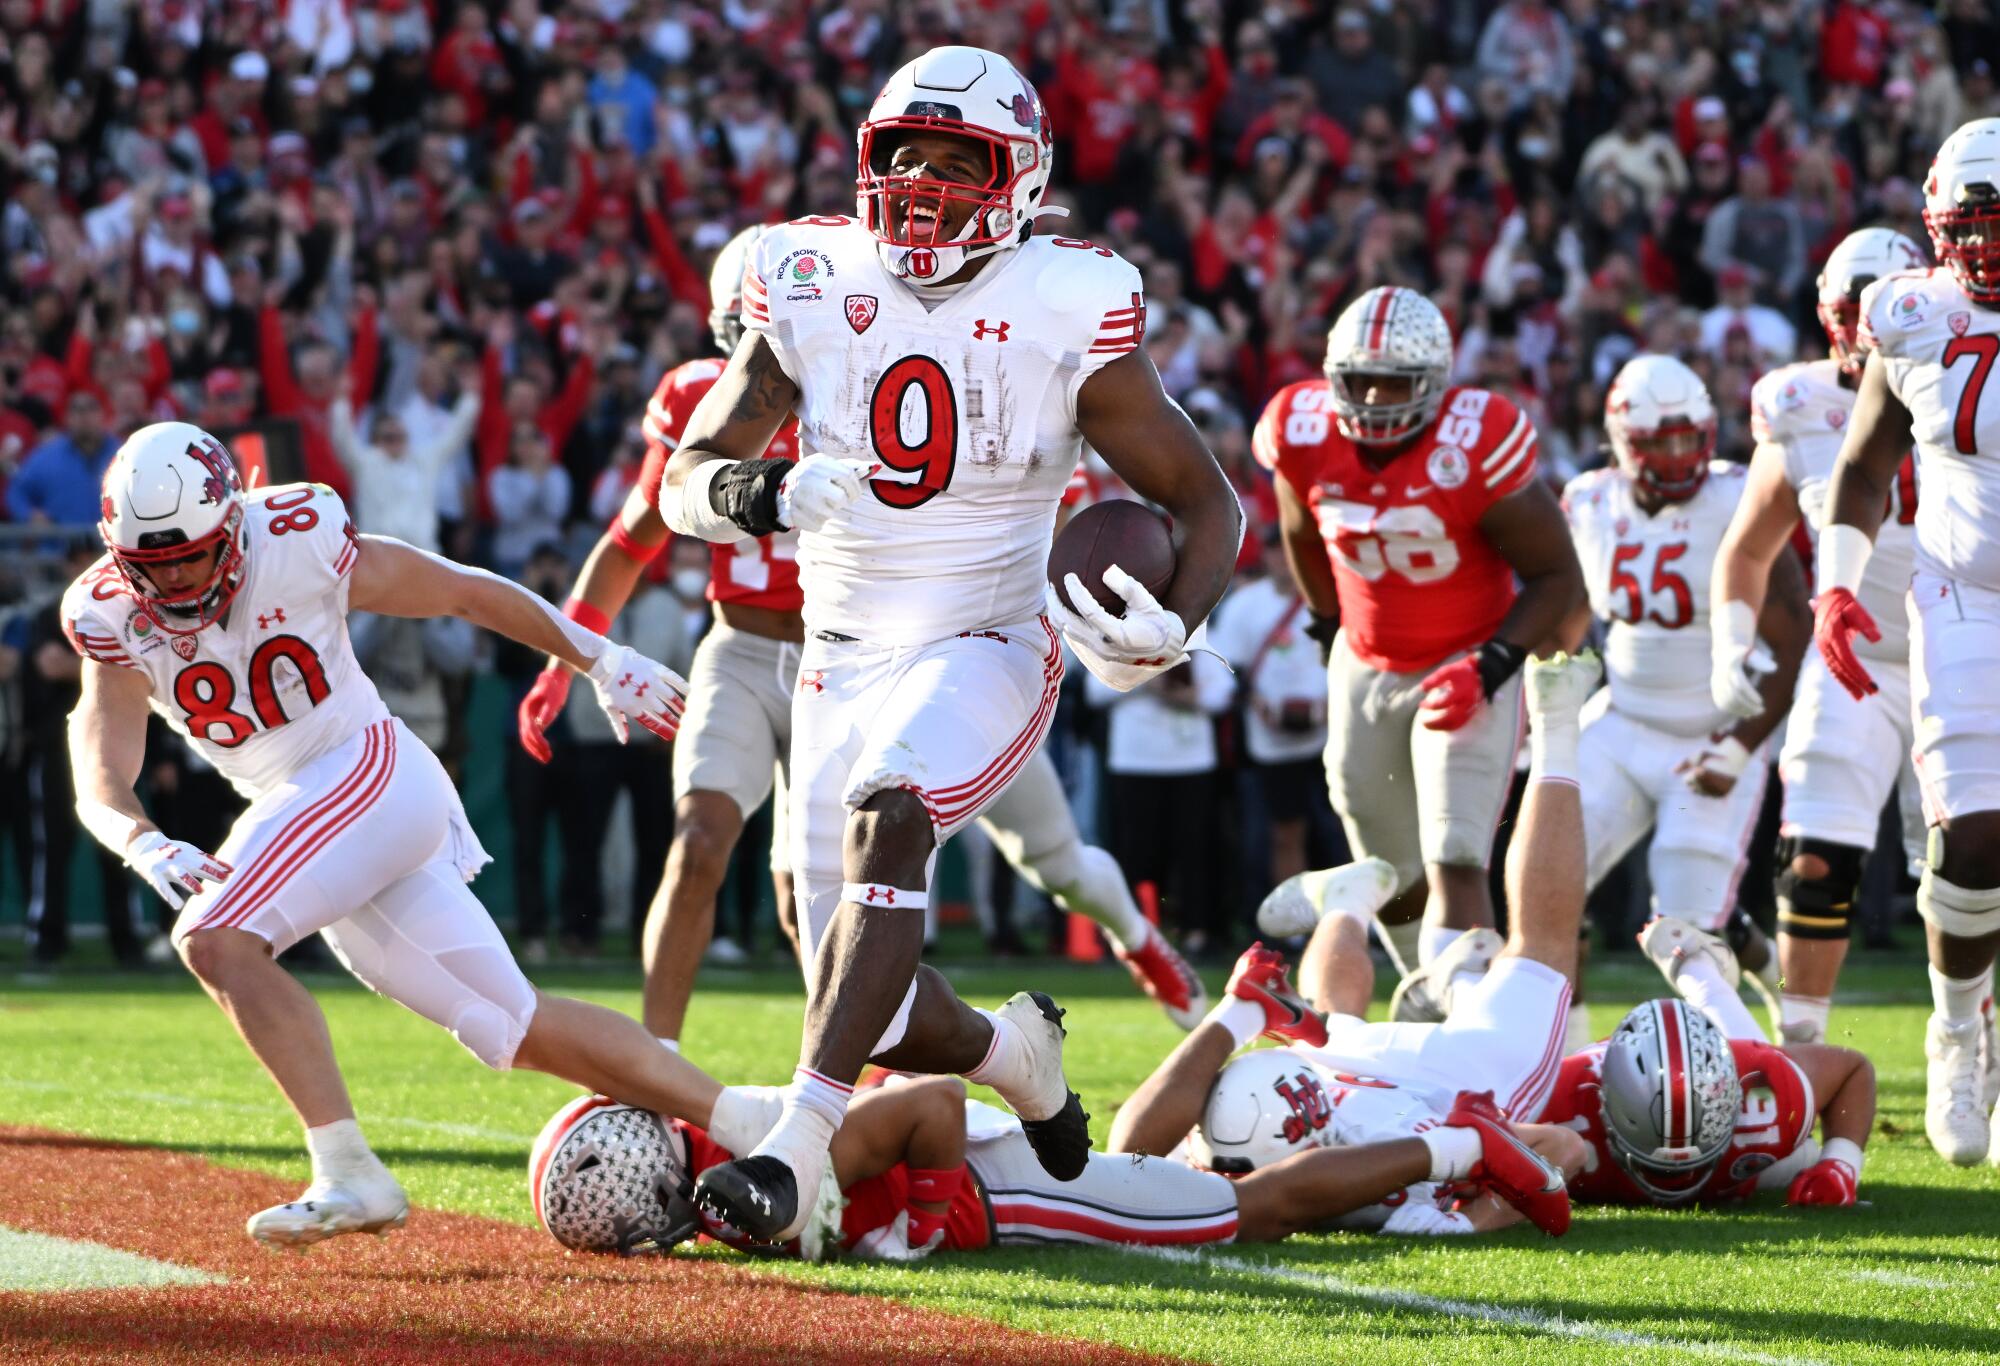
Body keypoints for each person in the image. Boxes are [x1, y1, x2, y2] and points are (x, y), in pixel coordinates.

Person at [658, 46, 1243, 1242]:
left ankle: (793, 1148)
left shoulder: (1063, 294)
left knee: (891, 808)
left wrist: (1172, 623)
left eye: (956, 161)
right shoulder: (806, 272)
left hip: (987, 631)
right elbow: (683, 478)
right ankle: (1015, 1057)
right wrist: (759, 500)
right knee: (855, 994)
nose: (922, 186)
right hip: (835, 652)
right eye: (904, 157)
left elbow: (1207, 503)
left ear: (1018, 177)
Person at [64, 421, 781, 1247]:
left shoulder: (296, 538)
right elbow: (102, 772)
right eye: (150, 565)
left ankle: (345, 1167)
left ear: (232, 521)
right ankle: (761, 1124)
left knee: (217, 939)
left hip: (365, 766)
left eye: (189, 554)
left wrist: (598, 659)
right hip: (313, 814)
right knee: (510, 1026)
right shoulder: (109, 614)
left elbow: (461, 590)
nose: (175, 581)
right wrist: (141, 841)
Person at [520, 228, 1208, 1049]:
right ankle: (664, 1068)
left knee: (1052, 861)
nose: (776, 360)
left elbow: (1046, 501)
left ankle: (1136, 939)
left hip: (933, 651)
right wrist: (570, 657)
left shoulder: (904, 370)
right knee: (724, 852)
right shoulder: (708, 402)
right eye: (752, 337)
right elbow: (639, 531)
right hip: (758, 651)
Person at [1114, 651, 1608, 1235]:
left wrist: (1467, 1222)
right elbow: (1129, 1155)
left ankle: (1554, 719)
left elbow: (1561, 1149)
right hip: (1326, 1056)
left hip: (1451, 1080)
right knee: (1334, 1022)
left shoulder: (1381, 1146)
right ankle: (1345, 912)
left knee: (1542, 950)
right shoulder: (1250, 1118)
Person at [1255, 285, 1584, 1021]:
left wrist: (1493, 664)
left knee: (1456, 856)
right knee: (1386, 867)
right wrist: (1323, 624)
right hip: (1364, 660)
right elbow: (1302, 531)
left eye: (1393, 382)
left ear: (1434, 384)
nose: (1373, 398)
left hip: (1464, 662)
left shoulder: (1475, 442)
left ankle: (1485, 1034)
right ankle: (1435, 1003)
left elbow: (1559, 576)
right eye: (1358, 379)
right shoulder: (1301, 429)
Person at [532, 1060, 1580, 1260]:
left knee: (1245, 1215)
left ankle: (1460, 1143)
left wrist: (930, 1217)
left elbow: (928, 1105)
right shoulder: (726, 1156)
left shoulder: (761, 1145)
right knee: (1209, 1190)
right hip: (1006, 1182)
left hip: (1010, 1191)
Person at [1816, 119, 2000, 1166]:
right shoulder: (1909, 312)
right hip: (1962, 591)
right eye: (1968, 225)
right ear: (1935, 226)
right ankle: (1954, 1023)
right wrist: (1836, 590)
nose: (1984, 246)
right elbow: (1861, 465)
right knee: (1972, 833)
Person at [1711, 227, 1933, 1047]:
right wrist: (1729, 637)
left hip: (1962, 647)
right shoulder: (1799, 403)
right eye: (1852, 311)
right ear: (1826, 315)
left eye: (1882, 310)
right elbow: (1748, 546)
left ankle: (1967, 1031)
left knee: (1963, 872)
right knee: (1811, 856)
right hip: (1854, 656)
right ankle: (1800, 1055)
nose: (1866, 330)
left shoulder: (1964, 372)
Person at [1561, 355, 1810, 1041]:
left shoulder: (1736, 497)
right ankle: (1565, 1054)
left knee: (1689, 925)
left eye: (1686, 438)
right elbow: (1568, 615)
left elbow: (1793, 633)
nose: (1676, 457)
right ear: (1621, 439)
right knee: (1548, 887)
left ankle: (1760, 1070)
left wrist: (1740, 744)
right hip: (1621, 719)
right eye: (1658, 442)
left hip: (1713, 727)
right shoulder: (1588, 500)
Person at [1543, 995, 1876, 1209]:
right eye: (1655, 1167)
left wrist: (1841, 1164)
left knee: (1805, 1156)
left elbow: (1852, 1070)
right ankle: (1696, 964)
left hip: (1740, 1142)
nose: (1677, 1179)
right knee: (1800, 1158)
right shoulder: (1557, 1104)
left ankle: (1698, 965)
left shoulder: (1765, 1088)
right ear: (1606, 1104)